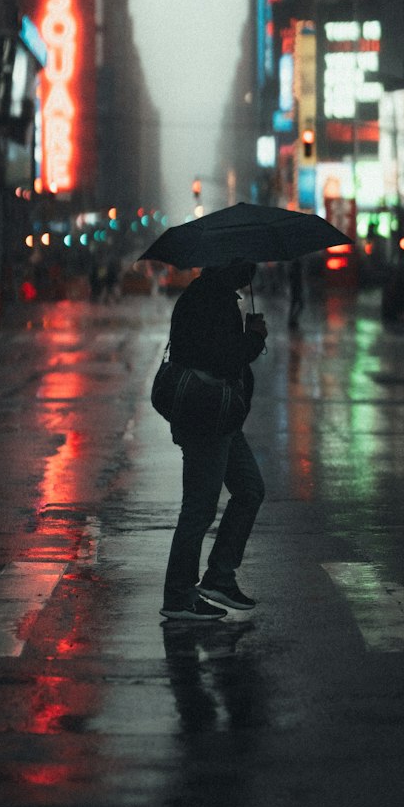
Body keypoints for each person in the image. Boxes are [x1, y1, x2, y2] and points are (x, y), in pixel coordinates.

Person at [160, 259, 268, 622]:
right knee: (199, 508)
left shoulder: (209, 296)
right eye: (246, 265)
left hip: (221, 416)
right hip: (207, 415)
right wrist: (254, 338)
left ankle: (220, 576)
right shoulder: (210, 301)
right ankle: (179, 595)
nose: (250, 272)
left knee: (250, 488)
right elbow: (223, 360)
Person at [287, 256, 304, 328]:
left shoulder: (292, 270)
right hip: (296, 290)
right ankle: (292, 320)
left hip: (294, 290)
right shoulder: (296, 271)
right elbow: (297, 282)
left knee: (294, 305)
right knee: (300, 305)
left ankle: (292, 320)